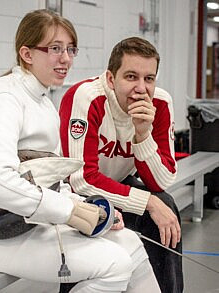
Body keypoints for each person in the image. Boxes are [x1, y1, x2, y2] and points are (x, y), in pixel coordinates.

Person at [0, 10, 161, 293]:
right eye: (55, 49)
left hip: (20, 221)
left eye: (70, 49)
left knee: (130, 244)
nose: (66, 58)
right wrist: (70, 211)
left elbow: (49, 178)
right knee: (113, 264)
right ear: (27, 54)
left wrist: (89, 207)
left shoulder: (44, 105)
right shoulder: (3, 100)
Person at [59, 37, 183, 293]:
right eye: (131, 76)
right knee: (93, 224)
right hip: (74, 191)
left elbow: (161, 181)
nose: (141, 88)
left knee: (166, 205)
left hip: (117, 182)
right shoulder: (86, 97)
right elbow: (82, 179)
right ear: (111, 79)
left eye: (149, 78)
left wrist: (142, 135)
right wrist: (147, 202)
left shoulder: (160, 103)